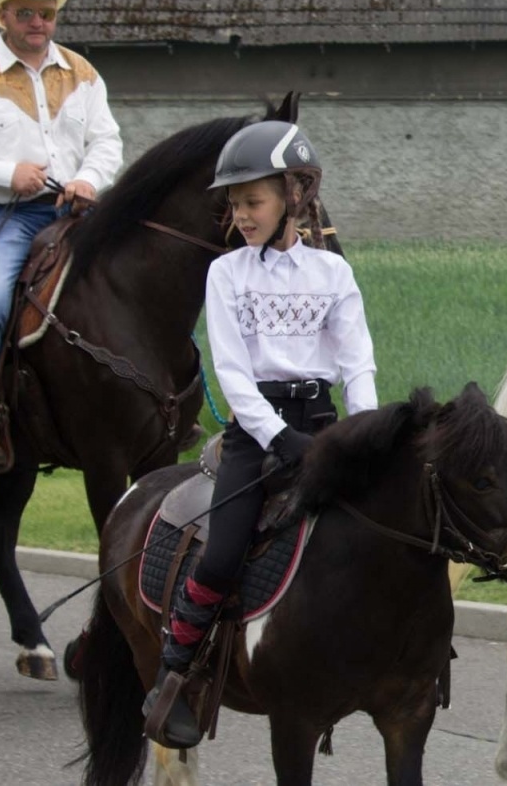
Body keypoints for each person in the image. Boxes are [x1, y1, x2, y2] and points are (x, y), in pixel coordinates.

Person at [143, 120, 377, 750]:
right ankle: (173, 675)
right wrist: (278, 440)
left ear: (294, 197)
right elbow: (233, 375)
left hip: (323, 422)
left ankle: (409, 658)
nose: (241, 215)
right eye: (235, 204)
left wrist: (360, 435)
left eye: (254, 202)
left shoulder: (333, 274)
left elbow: (357, 365)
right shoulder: (226, 276)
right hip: (257, 431)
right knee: (221, 555)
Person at [0, 0, 122, 473]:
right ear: (3, 15)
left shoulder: (83, 73)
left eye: (45, 13)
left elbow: (106, 141)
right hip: (0, 215)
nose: (36, 22)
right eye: (25, 12)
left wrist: (88, 180)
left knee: (141, 281)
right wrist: (8, 174)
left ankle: (162, 406)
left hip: (73, 212)